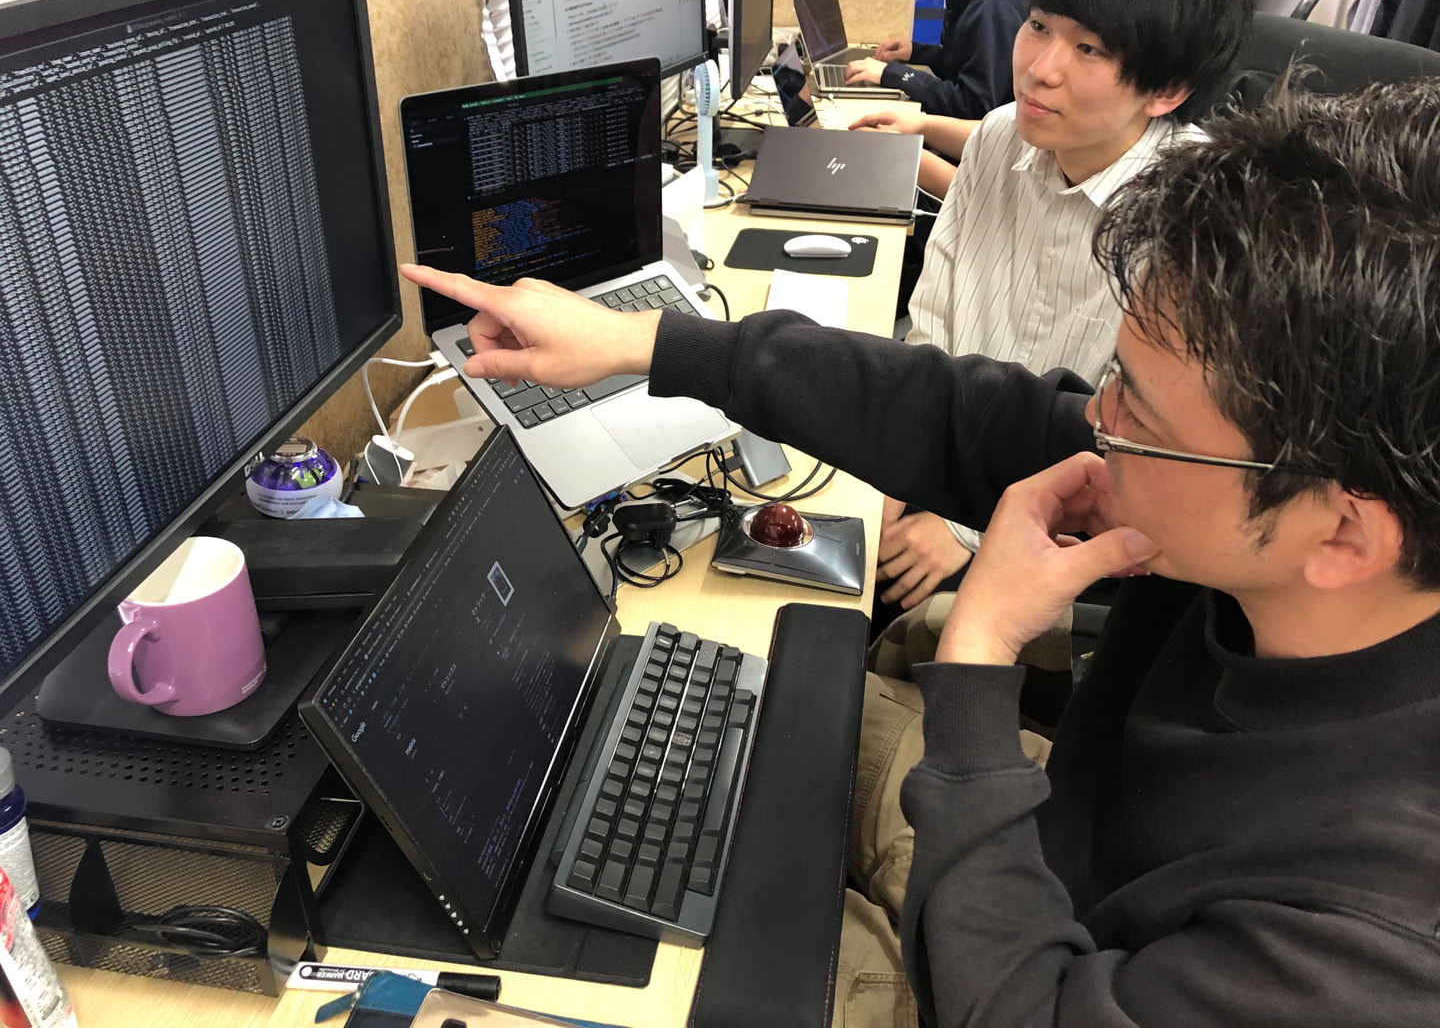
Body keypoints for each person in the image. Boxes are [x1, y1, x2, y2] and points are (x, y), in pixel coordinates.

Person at [400, 75, 1440, 1026]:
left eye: (1141, 417)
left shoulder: (1369, 944)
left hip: (1032, 978)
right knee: (697, 727)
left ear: (1345, 536)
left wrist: (979, 658)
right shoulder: (1275, 505)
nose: (1099, 419)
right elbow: (964, 416)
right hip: (1058, 839)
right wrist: (650, 344)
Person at [860, 0, 1255, 626]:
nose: (1040, 68)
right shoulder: (998, 138)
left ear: (1167, 90)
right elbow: (935, 320)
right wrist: (898, 465)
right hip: (942, 463)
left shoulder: (1201, 225)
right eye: (1039, 25)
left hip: (1070, 538)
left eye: (1089, 49)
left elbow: (1139, 461)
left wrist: (966, 530)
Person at [843, 0, 1031, 119]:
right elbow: (962, 64)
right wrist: (916, 52)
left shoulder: (994, 1)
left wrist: (892, 74)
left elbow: (973, 107)